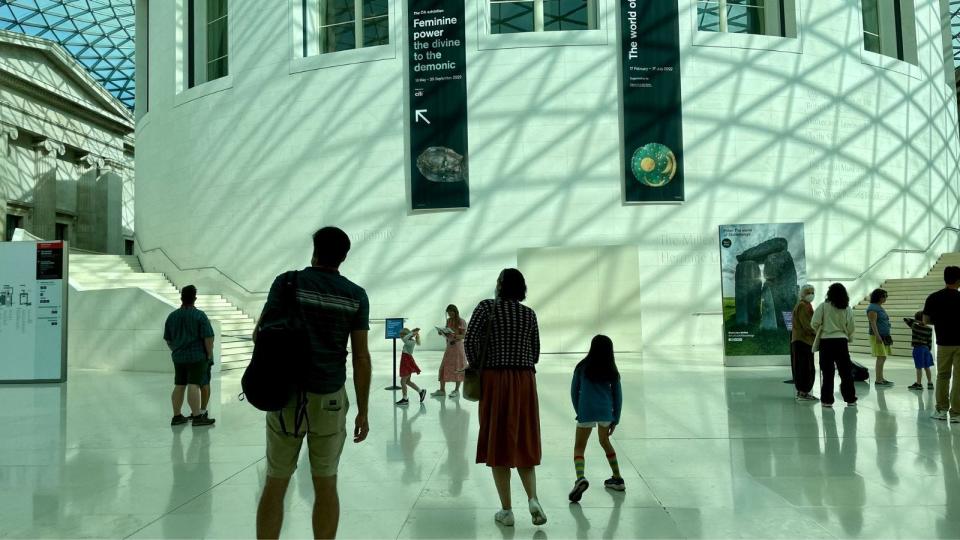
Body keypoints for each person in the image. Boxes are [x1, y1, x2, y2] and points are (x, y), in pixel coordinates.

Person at [254, 226, 372, 539]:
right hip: (330, 397)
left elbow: (260, 334)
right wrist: (363, 410)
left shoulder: (288, 282)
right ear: (344, 257)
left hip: (285, 395)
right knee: (326, 483)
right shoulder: (356, 296)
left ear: (314, 249)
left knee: (276, 482)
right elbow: (361, 357)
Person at [465, 269, 546, 528]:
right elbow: (535, 353)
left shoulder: (487, 308)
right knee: (524, 438)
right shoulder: (528, 314)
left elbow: (470, 340)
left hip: (495, 380)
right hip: (524, 381)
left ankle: (507, 510)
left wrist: (479, 363)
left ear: (500, 285)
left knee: (497, 441)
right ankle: (533, 499)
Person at [568, 335, 624, 503]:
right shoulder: (611, 370)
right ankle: (617, 478)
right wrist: (616, 418)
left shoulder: (581, 368)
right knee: (604, 441)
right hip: (606, 411)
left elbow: (573, 392)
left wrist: (579, 411)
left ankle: (581, 478)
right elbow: (618, 396)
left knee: (579, 448)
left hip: (586, 410)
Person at [163, 285, 216, 427]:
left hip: (178, 357)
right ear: (195, 298)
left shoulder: (172, 316)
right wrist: (209, 354)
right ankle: (197, 417)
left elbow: (168, 339)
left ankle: (177, 416)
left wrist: (176, 349)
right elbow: (208, 337)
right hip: (197, 357)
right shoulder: (199, 315)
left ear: (181, 298)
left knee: (179, 385)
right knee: (194, 384)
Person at [923, 265, 960, 423]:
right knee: (959, 377)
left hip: (943, 342)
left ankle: (941, 409)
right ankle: (956, 413)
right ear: (958, 280)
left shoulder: (933, 297)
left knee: (943, 376)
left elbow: (925, 320)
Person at [811, 283, 857, 408]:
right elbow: (851, 326)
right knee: (845, 372)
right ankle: (850, 398)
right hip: (841, 342)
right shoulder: (847, 308)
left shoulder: (823, 307)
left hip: (826, 342)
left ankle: (827, 400)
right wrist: (848, 336)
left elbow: (814, 323)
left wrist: (821, 330)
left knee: (827, 372)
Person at [433, 304, 467, 399]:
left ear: (455, 312)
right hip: (449, 347)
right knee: (444, 366)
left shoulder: (461, 321)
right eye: (448, 313)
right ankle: (442, 390)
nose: (450, 315)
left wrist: (455, 335)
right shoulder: (448, 321)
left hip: (457, 347)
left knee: (458, 367)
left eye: (451, 313)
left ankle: (456, 390)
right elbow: (447, 335)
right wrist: (442, 333)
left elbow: (464, 336)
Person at [791, 284, 818, 402]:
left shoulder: (807, 305)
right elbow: (807, 325)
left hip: (804, 341)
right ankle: (803, 392)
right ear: (802, 294)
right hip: (802, 341)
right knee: (805, 367)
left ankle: (803, 391)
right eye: (808, 292)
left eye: (812, 292)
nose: (811, 295)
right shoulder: (802, 306)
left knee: (805, 366)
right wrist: (818, 332)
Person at [866, 288, 894, 386]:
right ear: (879, 297)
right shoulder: (873, 308)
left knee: (883, 357)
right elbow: (873, 323)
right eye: (884, 296)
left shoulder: (879, 307)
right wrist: (877, 336)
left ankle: (881, 378)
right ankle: (878, 380)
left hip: (884, 335)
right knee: (881, 357)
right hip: (877, 336)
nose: (886, 298)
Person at [904, 310, 934, 391]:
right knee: (927, 367)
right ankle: (930, 383)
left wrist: (917, 321)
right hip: (926, 349)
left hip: (918, 348)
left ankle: (919, 384)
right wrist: (929, 349)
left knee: (919, 367)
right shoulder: (929, 329)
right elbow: (929, 341)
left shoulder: (915, 326)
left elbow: (906, 319)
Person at [396, 328, 427, 406]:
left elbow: (405, 339)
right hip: (405, 362)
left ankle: (405, 399)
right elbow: (405, 339)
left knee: (403, 381)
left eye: (402, 335)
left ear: (406, 335)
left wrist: (412, 333)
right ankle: (421, 391)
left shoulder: (410, 342)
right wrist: (412, 333)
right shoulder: (409, 341)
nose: (401, 337)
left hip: (407, 362)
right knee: (407, 381)